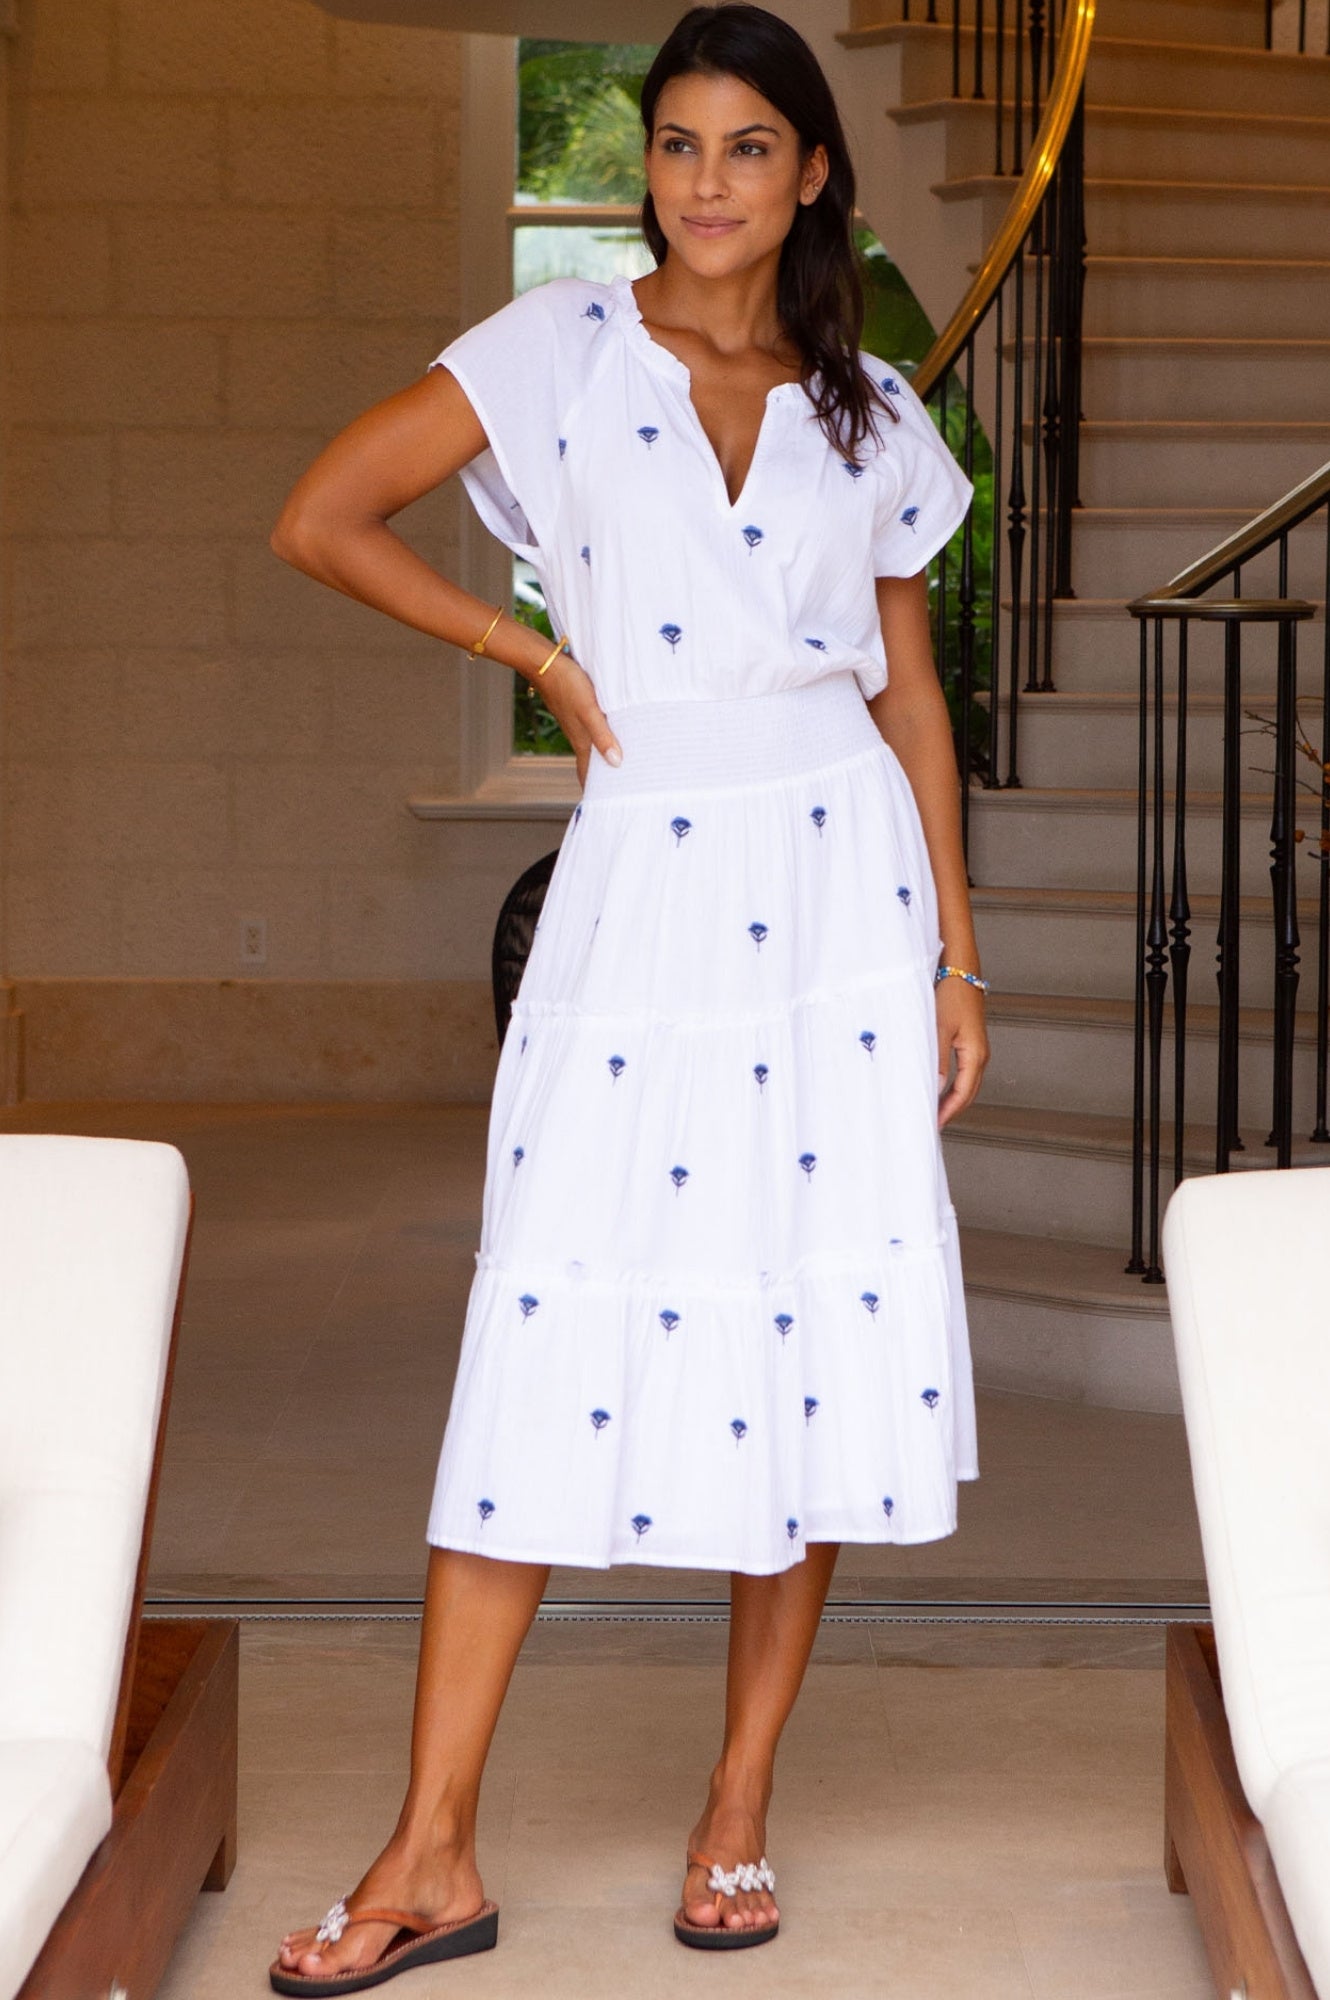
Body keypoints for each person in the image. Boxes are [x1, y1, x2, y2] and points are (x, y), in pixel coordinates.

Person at [267, 4, 988, 1988]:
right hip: (643, 881)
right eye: (672, 145)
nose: (701, 182)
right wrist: (527, 651)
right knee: (538, 1312)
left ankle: (737, 1802)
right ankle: (430, 1849)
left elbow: (909, 700)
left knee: (807, 1316)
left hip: (835, 890)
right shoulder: (557, 354)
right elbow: (320, 516)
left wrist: (948, 944)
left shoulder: (867, 409)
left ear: (812, 173)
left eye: (746, 146)